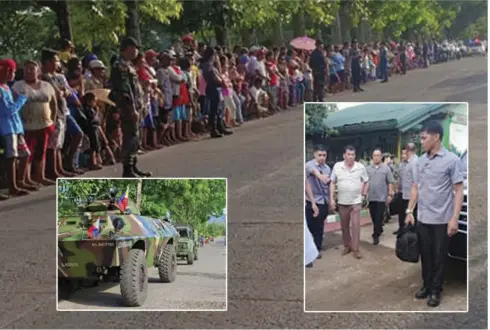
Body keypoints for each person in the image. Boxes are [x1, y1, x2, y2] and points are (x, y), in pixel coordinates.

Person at [405, 121, 464, 307]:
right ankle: (427, 284)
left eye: (424, 138)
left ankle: (436, 290)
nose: (421, 141)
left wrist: (454, 218)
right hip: (423, 217)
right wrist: (409, 210)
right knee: (425, 255)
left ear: (436, 137)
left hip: (442, 219)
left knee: (439, 256)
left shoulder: (452, 160)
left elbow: (458, 190)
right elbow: (416, 187)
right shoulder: (420, 162)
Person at [109, 37, 151, 177]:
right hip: (127, 107)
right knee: (130, 136)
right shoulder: (120, 66)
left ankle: (133, 165)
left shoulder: (129, 65)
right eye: (134, 48)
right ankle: (127, 169)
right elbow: (125, 90)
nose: (136, 51)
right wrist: (132, 108)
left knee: (135, 136)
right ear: (126, 48)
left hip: (135, 105)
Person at [12, 61, 57, 186]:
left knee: (41, 152)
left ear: (38, 71)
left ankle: (39, 176)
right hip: (26, 125)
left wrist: (52, 120)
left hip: (45, 124)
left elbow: (53, 104)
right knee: (27, 153)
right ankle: (24, 179)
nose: (29, 71)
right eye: (27, 69)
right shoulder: (18, 86)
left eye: (32, 69)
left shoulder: (47, 86)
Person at [0, 59, 33, 198]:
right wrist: (21, 100)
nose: (14, 74)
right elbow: (8, 110)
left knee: (24, 154)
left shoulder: (7, 87)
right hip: (6, 128)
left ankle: (20, 181)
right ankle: (12, 186)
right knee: (10, 158)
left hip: (15, 127)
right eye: (12, 71)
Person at [330, 145, 369, 259]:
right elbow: (332, 182)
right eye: (349, 154)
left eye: (353, 155)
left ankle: (356, 249)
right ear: (344, 155)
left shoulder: (360, 167)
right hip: (342, 202)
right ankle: (347, 245)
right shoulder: (337, 166)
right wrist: (332, 198)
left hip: (356, 202)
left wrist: (363, 195)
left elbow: (366, 181)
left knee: (356, 225)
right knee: (344, 226)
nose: (351, 157)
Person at [200, 47, 232, 138]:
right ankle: (213, 129)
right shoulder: (207, 65)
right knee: (214, 109)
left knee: (219, 109)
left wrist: (218, 64)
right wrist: (222, 82)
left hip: (217, 88)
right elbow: (215, 77)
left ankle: (220, 126)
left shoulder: (212, 65)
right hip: (212, 87)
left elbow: (219, 73)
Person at [304, 145, 331, 255]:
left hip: (323, 201)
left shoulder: (327, 168)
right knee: (310, 226)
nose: (322, 158)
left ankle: (317, 248)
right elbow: (314, 172)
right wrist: (321, 177)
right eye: (319, 155)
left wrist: (330, 200)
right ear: (314, 154)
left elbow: (329, 185)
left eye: (324, 155)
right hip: (311, 200)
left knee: (319, 226)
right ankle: (309, 251)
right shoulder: (309, 165)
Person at [366, 149, 394, 245]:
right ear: (372, 157)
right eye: (374, 155)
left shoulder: (386, 169)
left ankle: (376, 235)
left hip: (382, 197)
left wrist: (390, 194)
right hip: (371, 197)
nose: (376, 157)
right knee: (373, 216)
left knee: (378, 217)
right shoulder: (368, 168)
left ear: (381, 156)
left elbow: (390, 182)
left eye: (378, 155)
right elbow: (366, 182)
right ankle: (379, 229)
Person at [395, 143, 418, 234]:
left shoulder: (415, 162)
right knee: (402, 214)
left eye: (405, 152)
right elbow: (401, 178)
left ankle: (410, 235)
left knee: (411, 217)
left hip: (411, 196)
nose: (403, 155)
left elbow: (416, 183)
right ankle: (403, 231)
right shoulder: (404, 163)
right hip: (404, 193)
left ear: (408, 151)